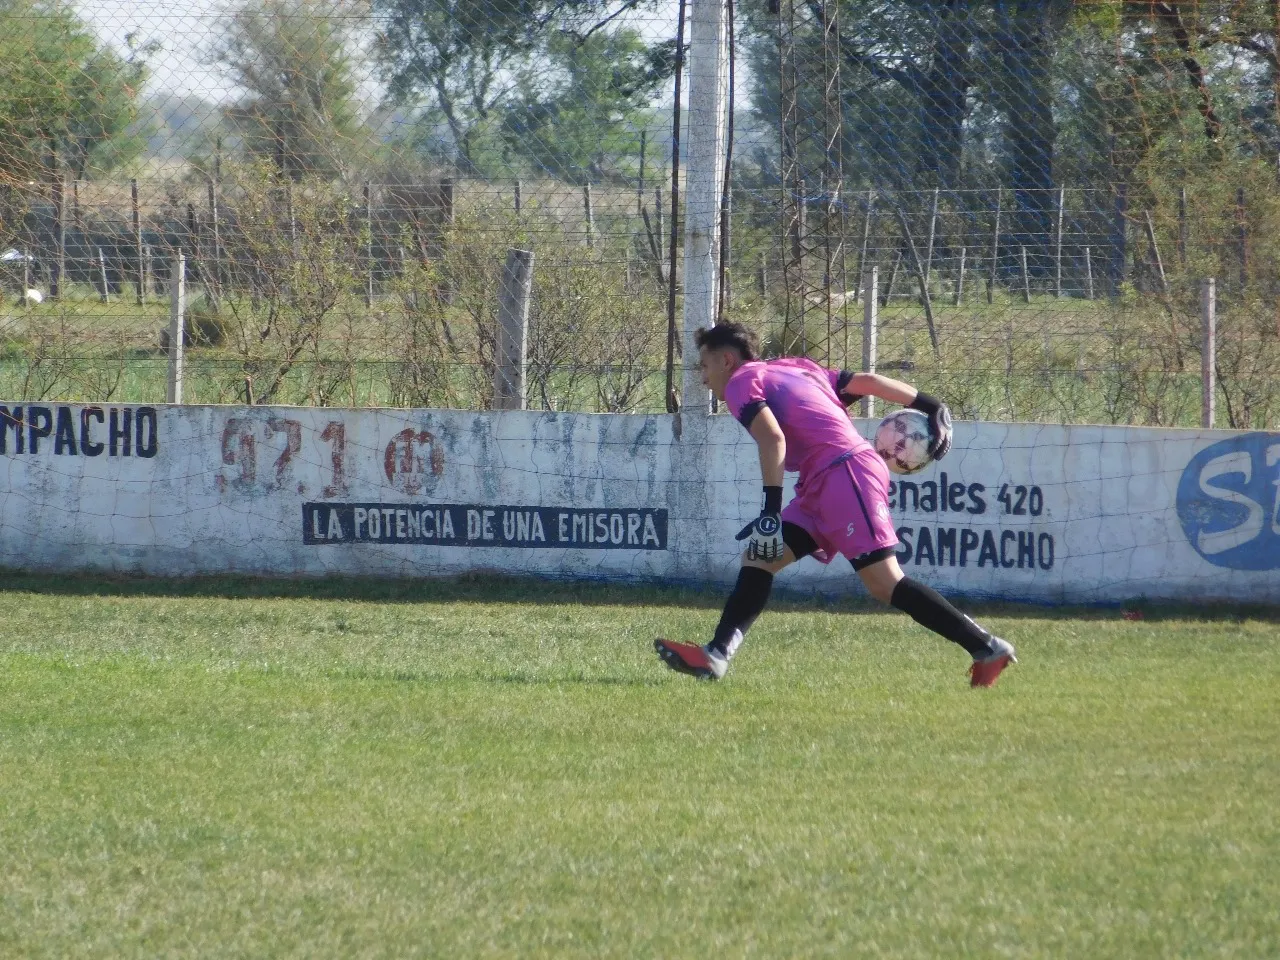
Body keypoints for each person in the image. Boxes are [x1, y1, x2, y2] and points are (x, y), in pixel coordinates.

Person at [655, 322, 1016, 687]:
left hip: (846, 472)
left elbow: (773, 439)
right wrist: (931, 405)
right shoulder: (795, 366)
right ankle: (716, 655)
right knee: (761, 557)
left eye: (704, 366)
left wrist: (770, 510)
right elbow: (869, 383)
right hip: (821, 482)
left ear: (727, 361)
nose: (703, 378)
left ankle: (987, 647)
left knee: (884, 583)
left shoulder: (739, 383)